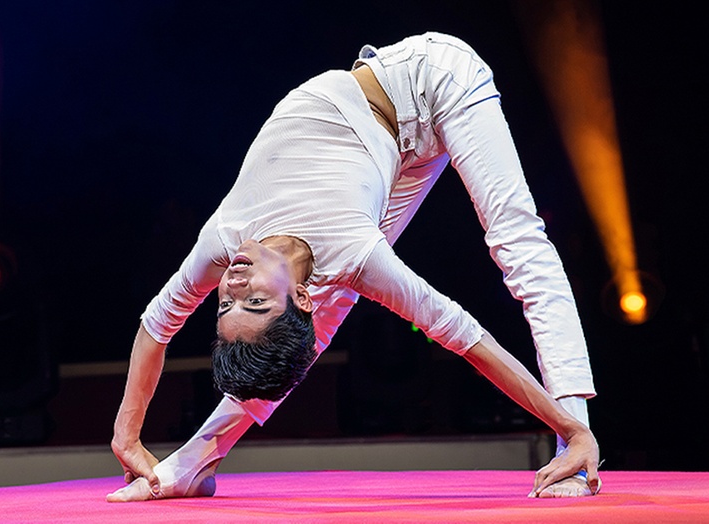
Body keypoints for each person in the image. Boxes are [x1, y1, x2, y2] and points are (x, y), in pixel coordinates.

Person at [108, 32, 600, 502]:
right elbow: (463, 336)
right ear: (295, 295)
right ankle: (197, 462)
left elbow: (156, 326)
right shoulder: (352, 253)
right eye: (253, 300)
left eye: (228, 303)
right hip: (386, 160)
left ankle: (574, 444)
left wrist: (126, 436)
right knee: (320, 313)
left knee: (517, 240)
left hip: (435, 79)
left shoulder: (224, 242)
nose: (233, 283)